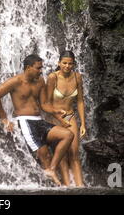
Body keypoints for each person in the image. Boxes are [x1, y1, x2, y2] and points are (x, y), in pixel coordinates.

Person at [0, 54, 74, 186]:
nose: (41, 71)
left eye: (41, 68)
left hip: (39, 120)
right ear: (28, 67)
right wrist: (4, 118)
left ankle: (52, 170)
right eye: (38, 68)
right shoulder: (16, 81)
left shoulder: (40, 81)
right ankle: (53, 186)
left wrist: (54, 111)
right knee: (44, 154)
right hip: (25, 122)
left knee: (68, 135)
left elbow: (44, 104)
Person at [44, 50, 86, 187]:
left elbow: (80, 101)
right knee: (61, 155)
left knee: (74, 153)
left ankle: (80, 187)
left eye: (70, 63)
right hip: (55, 117)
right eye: (64, 63)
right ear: (59, 63)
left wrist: (83, 124)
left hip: (70, 116)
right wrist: (57, 117)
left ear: (74, 64)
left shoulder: (77, 77)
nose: (67, 66)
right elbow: (47, 103)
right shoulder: (52, 77)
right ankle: (67, 187)